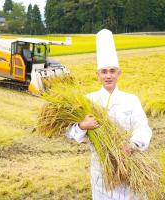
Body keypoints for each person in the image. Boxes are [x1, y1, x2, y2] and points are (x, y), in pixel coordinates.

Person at [66, 29, 152, 200]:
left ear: (118, 73)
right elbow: (69, 133)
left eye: (112, 71)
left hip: (129, 163)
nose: (108, 75)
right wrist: (83, 126)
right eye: (104, 71)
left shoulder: (131, 100)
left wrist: (132, 144)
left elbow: (143, 127)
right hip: (101, 170)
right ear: (97, 75)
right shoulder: (87, 101)